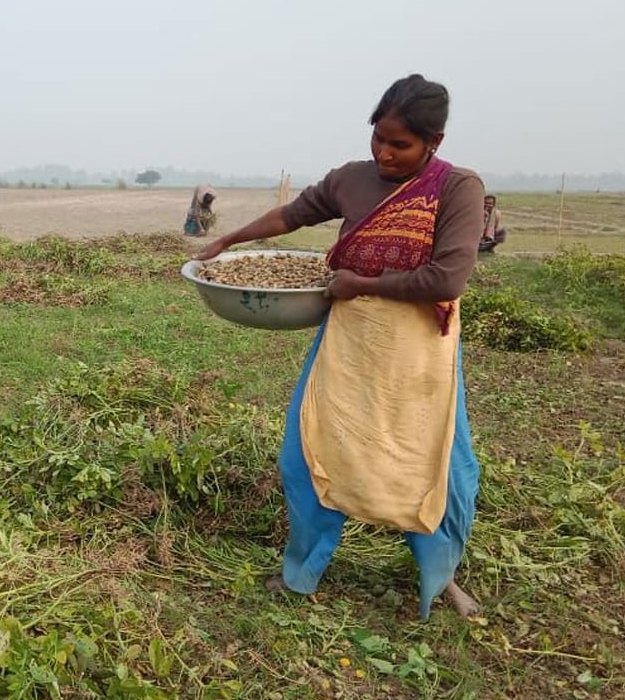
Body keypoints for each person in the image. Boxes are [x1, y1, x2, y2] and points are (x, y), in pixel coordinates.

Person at [194, 74, 485, 619]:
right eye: (378, 138)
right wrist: (231, 239)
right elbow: (294, 213)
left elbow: (448, 279)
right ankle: (301, 572)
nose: (384, 153)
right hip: (350, 341)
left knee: (440, 466)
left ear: (434, 142)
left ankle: (441, 576)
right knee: (307, 454)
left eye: (400, 145)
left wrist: (363, 284)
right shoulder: (352, 179)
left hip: (419, 349)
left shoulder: (456, 188)